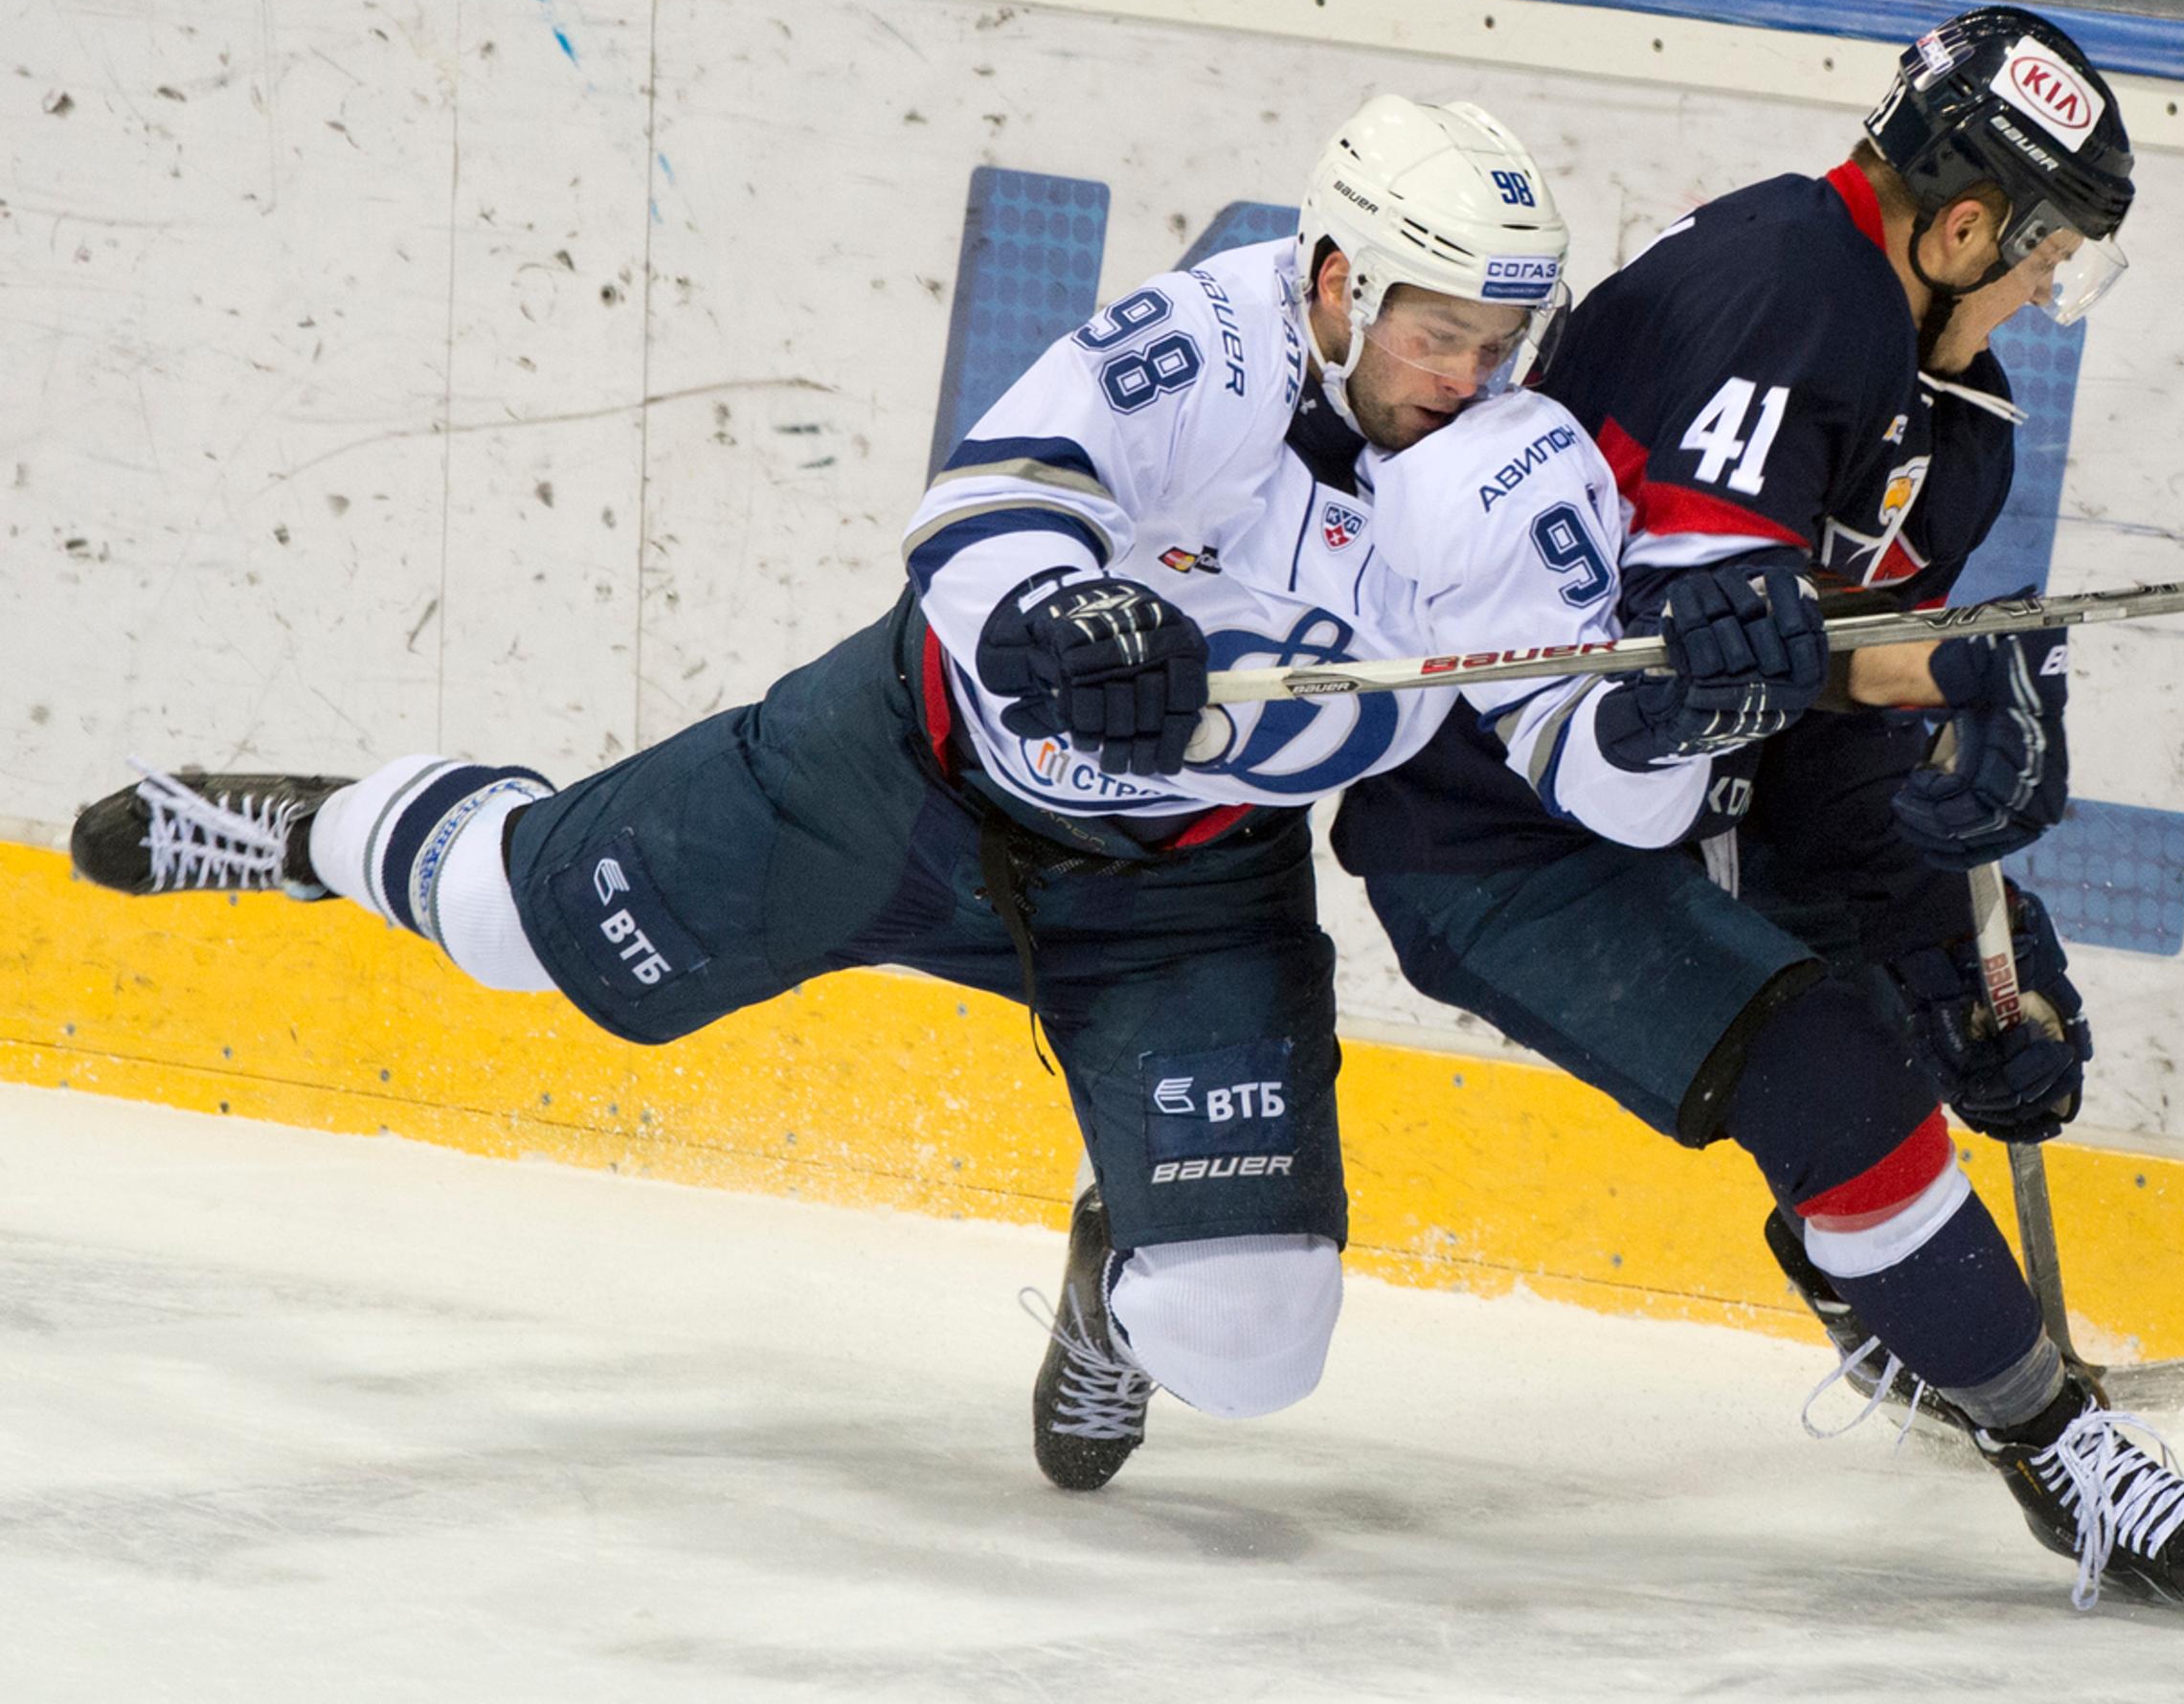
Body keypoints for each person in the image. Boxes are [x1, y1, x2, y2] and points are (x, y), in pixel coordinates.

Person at [65, 95, 1838, 1492]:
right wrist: (1068, 602)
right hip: (897, 781)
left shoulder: (1508, 479)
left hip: (1176, 895)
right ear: (1334, 284)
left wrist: (1694, 712)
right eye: (1442, 336)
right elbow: (976, 511)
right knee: (517, 922)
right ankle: (302, 833)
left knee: (1249, 1337)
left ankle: (1115, 1252)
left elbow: (1587, 785)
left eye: (1504, 341)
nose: (1474, 380)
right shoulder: (1202, 345)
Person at [1331, 8, 2184, 1623]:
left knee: (1912, 1025)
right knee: (1826, 1066)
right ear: (1968, 220)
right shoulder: (1780, 293)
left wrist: (1980, 973)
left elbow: (1808, 748)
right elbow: (1716, 655)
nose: (2052, 287)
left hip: (1667, 790)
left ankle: (1896, 1315)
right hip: (1495, 827)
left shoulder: (1943, 409)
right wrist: (1923, 690)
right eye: (2048, 248)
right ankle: (2057, 1452)